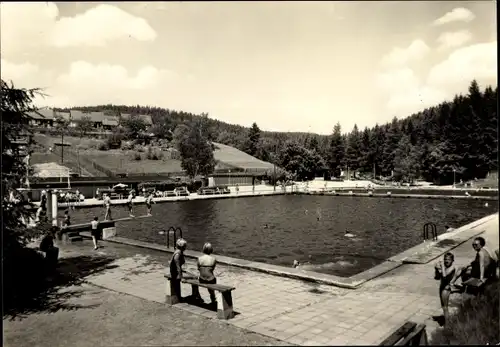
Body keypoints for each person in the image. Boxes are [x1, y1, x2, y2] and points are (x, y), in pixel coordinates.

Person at [434, 252, 457, 324]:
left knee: (445, 307)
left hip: (446, 289)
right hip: (442, 287)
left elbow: (444, 276)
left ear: (452, 260)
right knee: (443, 306)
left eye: (449, 259)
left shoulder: (452, 267)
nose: (446, 261)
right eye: (445, 259)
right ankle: (447, 321)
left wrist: (442, 268)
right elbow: (437, 278)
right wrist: (436, 269)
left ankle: (447, 324)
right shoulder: (445, 267)